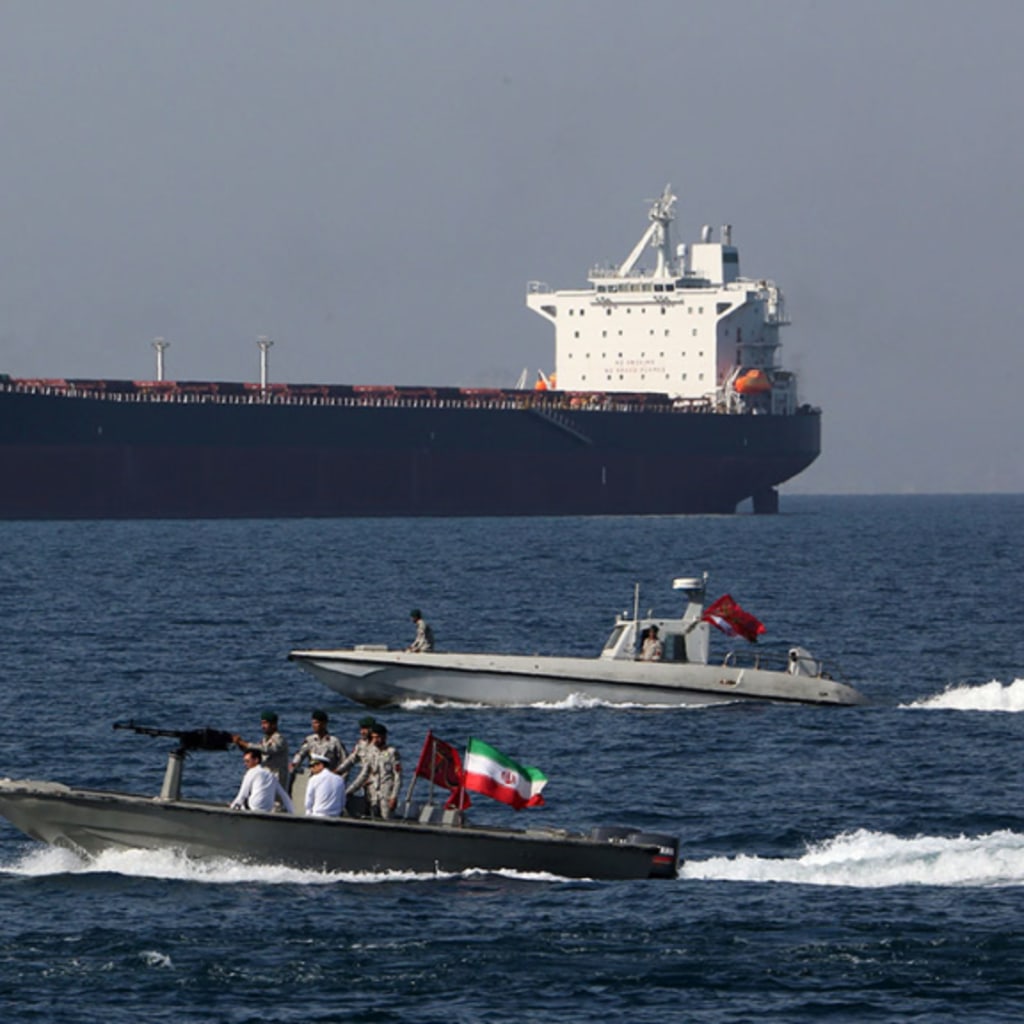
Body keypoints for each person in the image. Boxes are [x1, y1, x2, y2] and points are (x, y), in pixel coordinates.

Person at [346, 722, 402, 819]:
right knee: (372, 818)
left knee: (386, 819)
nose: (375, 740)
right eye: (373, 737)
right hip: (373, 795)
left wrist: (394, 796)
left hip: (386, 795)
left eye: (377, 737)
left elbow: (398, 777)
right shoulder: (371, 752)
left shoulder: (391, 752)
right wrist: (350, 790)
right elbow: (364, 774)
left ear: (384, 737)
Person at [232, 711, 290, 790]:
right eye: (262, 723)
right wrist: (240, 744)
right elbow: (256, 753)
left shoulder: (279, 739)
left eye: (265, 723)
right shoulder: (265, 739)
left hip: (276, 778)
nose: (263, 726)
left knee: (276, 802)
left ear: (273, 724)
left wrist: (246, 744)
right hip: (265, 777)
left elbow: (266, 749)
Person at [230, 749, 294, 813]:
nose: (245, 764)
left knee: (243, 801)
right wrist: (291, 812)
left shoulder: (251, 772)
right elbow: (284, 796)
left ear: (256, 760)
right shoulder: (271, 774)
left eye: (247, 761)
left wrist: (232, 807)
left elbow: (242, 795)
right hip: (268, 809)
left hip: (254, 807)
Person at [336, 715, 377, 816]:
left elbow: (365, 773)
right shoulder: (361, 744)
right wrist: (337, 771)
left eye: (365, 729)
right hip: (365, 788)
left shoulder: (377, 748)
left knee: (375, 813)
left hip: (376, 787)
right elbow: (351, 760)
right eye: (361, 729)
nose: (362, 732)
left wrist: (351, 790)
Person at [290, 710, 347, 774]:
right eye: (313, 723)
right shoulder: (309, 740)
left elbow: (345, 761)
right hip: (314, 776)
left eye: (316, 723)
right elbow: (300, 754)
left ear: (324, 724)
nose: (314, 725)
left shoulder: (334, 742)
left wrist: (339, 776)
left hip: (329, 776)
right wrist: (294, 764)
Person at [304, 752, 347, 817]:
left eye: (312, 765)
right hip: (335, 818)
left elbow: (308, 803)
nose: (311, 768)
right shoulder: (340, 780)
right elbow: (343, 802)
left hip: (318, 817)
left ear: (321, 765)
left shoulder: (314, 779)